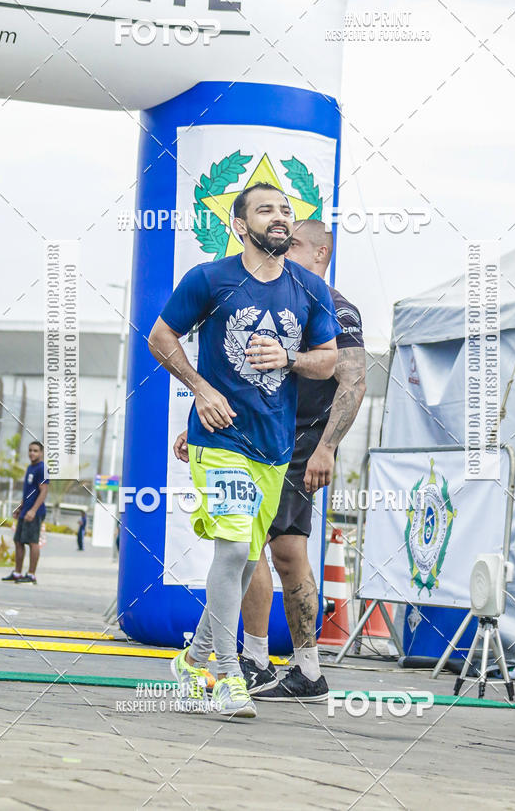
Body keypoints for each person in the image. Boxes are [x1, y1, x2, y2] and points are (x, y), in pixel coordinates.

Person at [149, 182, 340, 718]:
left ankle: (193, 660)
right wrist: (201, 390)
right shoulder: (209, 279)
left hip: (275, 448)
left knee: (246, 560)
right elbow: (161, 337)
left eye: (285, 210)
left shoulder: (309, 289)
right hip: (220, 439)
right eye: (265, 210)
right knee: (233, 552)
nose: (279, 216)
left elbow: (330, 360)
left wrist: (289, 358)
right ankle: (228, 675)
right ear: (239, 225)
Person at [175, 219, 366, 702]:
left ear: (320, 253)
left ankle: (302, 667)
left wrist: (326, 447)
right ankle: (248, 660)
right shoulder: (252, 290)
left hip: (298, 443)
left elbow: (353, 379)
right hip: (246, 434)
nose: (283, 250)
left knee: (284, 550)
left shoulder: (331, 303)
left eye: (294, 244)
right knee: (244, 548)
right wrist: (197, 425)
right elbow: (237, 376)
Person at [2, 440, 49, 584]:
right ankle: (17, 573)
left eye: (35, 451)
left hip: (35, 512)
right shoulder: (30, 467)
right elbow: (29, 492)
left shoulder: (42, 468)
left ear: (41, 453)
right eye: (30, 450)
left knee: (33, 542)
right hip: (25, 511)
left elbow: (44, 491)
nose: (32, 453)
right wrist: (20, 508)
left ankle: (31, 575)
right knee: (18, 541)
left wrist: (33, 510)